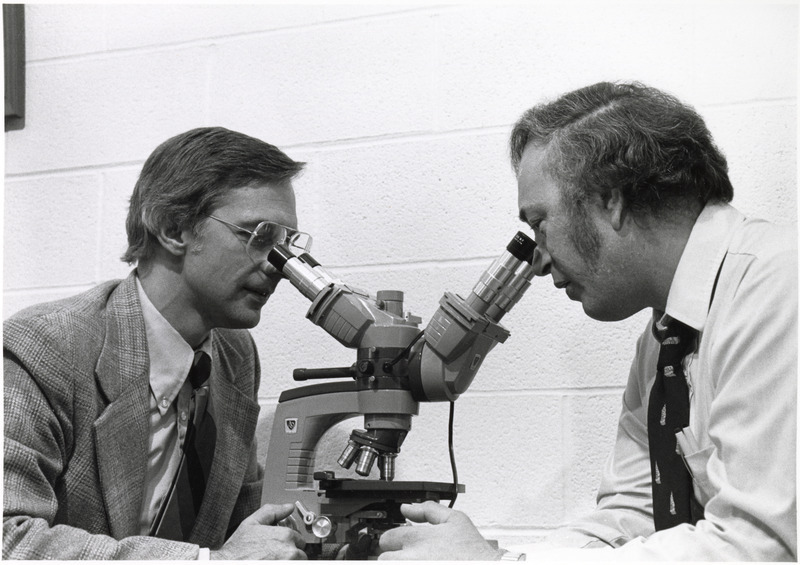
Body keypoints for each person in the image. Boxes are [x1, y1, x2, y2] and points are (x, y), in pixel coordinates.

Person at [377, 82, 797, 561]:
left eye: (539, 223)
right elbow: (632, 514)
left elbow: (759, 549)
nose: (536, 260)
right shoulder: (667, 339)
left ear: (611, 201)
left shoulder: (777, 289)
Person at [3, 127, 311, 559]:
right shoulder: (45, 346)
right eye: (259, 235)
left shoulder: (233, 354)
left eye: (286, 243)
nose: (279, 264)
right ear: (172, 228)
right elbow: (8, 538)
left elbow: (242, 526)